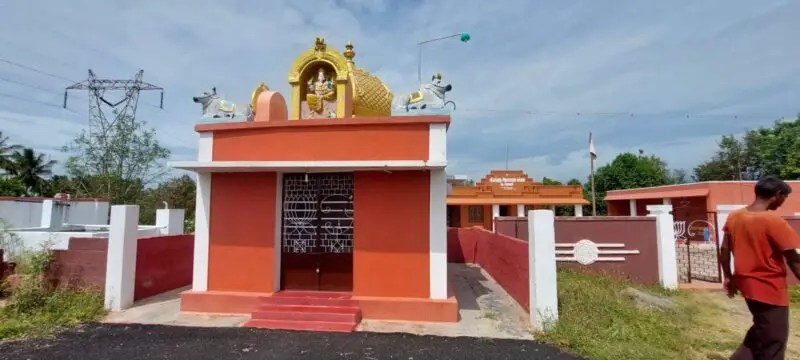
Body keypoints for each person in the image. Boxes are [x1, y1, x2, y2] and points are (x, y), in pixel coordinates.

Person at [720, 175, 800, 360]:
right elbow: (794, 260)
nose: (782, 203)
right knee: (774, 341)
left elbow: (725, 250)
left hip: (746, 285)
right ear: (777, 194)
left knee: (762, 330)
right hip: (769, 288)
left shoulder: (735, 216)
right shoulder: (774, 222)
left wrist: (728, 277)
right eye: (784, 198)